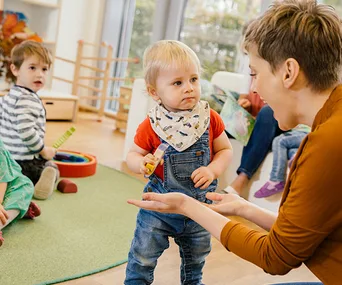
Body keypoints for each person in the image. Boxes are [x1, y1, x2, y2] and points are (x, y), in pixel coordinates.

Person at [128, 1, 342, 284]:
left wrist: (188, 205)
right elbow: (295, 236)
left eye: (254, 73)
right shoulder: (331, 127)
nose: (253, 88)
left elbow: (276, 255)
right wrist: (242, 207)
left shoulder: (327, 145)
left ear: (288, 72)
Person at [125, 40, 233, 284]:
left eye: (193, 79)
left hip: (199, 209)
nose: (189, 88)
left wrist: (212, 169)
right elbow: (132, 155)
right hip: (159, 209)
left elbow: (225, 149)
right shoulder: (152, 125)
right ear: (154, 92)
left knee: (196, 261)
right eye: (177, 83)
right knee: (142, 257)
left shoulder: (208, 118)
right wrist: (141, 163)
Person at [0, 40, 59, 200]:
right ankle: (39, 183)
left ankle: (8, 183)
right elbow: (26, 132)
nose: (39, 74)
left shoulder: (8, 96)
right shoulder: (29, 100)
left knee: (7, 175)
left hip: (5, 161)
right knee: (51, 166)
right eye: (32, 68)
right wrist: (43, 150)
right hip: (24, 162)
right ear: (15, 69)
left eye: (44, 69)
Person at [0, 138, 41, 247]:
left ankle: (14, 209)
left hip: (6, 186)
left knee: (24, 186)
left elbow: (3, 177)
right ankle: (19, 209)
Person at [254, 124, 310, 198]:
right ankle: (297, 157)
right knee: (290, 150)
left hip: (308, 134)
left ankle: (276, 179)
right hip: (300, 134)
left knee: (279, 140)